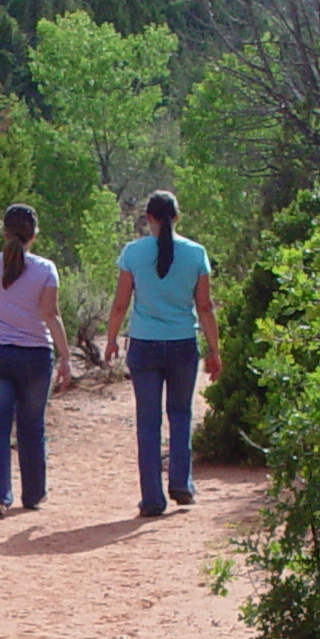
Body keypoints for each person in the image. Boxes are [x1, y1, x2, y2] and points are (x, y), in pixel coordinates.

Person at [104, 190, 220, 517]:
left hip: (144, 344)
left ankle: (152, 498)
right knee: (181, 415)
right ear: (177, 218)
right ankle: (181, 483)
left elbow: (120, 303)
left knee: (148, 422)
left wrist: (111, 339)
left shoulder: (133, 253)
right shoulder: (196, 253)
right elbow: (205, 306)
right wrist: (214, 349)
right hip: (183, 343)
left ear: (149, 218)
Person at [0, 203, 75, 517]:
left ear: (4, 230)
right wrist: (66, 358)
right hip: (34, 356)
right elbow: (50, 315)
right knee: (31, 425)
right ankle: (33, 494)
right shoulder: (45, 269)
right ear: (34, 234)